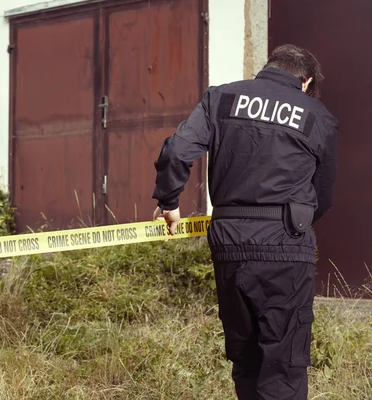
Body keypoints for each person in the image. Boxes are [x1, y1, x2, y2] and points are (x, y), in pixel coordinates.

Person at [152, 44, 338, 400]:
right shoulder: (318, 116)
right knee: (283, 363)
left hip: (228, 239)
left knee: (246, 357)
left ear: (269, 67)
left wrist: (169, 200)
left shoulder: (221, 98)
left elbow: (177, 150)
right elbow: (323, 197)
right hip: (286, 241)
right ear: (306, 80)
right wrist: (293, 224)